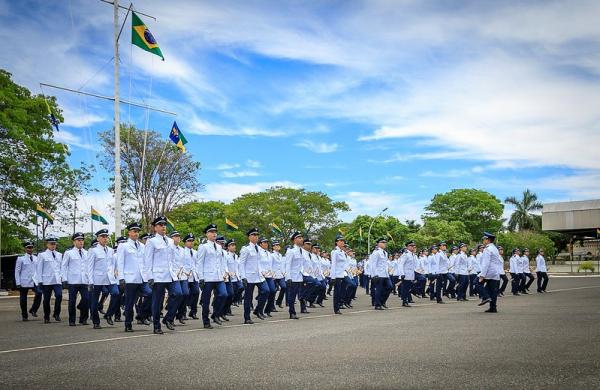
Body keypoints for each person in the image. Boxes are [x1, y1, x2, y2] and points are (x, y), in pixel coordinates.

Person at [143, 216, 182, 334]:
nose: (163, 226)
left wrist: (175, 272)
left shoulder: (170, 241)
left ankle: (168, 318)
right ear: (155, 228)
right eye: (160, 225)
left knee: (179, 294)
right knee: (157, 301)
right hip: (158, 276)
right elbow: (147, 260)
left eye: (164, 224)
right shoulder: (152, 241)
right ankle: (156, 325)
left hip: (170, 275)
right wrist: (149, 277)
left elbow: (172, 258)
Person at [116, 222, 149, 332]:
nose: (136, 233)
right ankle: (128, 324)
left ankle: (141, 315)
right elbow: (120, 263)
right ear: (129, 232)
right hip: (130, 278)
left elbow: (145, 262)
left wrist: (149, 276)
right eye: (134, 231)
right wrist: (121, 278)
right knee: (130, 302)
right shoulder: (123, 246)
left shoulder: (142, 246)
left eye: (138, 231)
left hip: (142, 278)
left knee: (150, 294)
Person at [196, 224, 228, 329]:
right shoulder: (203, 247)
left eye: (215, 232)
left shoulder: (219, 247)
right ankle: (206, 321)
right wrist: (200, 277)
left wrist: (224, 273)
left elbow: (221, 261)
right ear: (207, 234)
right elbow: (199, 263)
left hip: (218, 277)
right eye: (212, 232)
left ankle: (215, 314)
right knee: (206, 301)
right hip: (208, 277)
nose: (214, 234)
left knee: (224, 294)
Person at [88, 228, 119, 329]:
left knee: (116, 293)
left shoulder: (110, 250)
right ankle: (96, 322)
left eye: (106, 237)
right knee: (94, 301)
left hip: (109, 278)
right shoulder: (93, 250)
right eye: (103, 237)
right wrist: (90, 281)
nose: (105, 239)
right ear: (98, 238)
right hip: (97, 279)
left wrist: (115, 272)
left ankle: (109, 314)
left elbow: (113, 264)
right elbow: (89, 267)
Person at [239, 227, 268, 324]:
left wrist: (264, 271)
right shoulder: (246, 249)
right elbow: (241, 263)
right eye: (253, 235)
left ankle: (258, 310)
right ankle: (247, 317)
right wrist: (243, 277)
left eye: (257, 235)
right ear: (249, 237)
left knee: (266, 291)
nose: (256, 237)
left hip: (259, 276)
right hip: (249, 277)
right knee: (248, 297)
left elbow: (261, 262)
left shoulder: (259, 249)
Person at [61, 232, 90, 326]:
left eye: (82, 240)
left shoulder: (87, 253)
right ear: (74, 242)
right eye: (78, 240)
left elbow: (89, 267)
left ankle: (83, 319)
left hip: (84, 280)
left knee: (86, 299)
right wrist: (64, 279)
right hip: (72, 281)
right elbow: (64, 267)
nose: (81, 242)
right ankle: (72, 320)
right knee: (72, 301)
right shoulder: (69, 253)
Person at [35, 236, 63, 324]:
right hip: (46, 281)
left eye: (54, 244)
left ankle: (56, 313)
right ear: (47, 244)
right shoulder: (42, 255)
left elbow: (61, 267)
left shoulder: (59, 255)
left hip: (57, 280)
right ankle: (46, 316)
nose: (53, 245)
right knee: (46, 299)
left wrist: (63, 278)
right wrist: (39, 281)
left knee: (59, 296)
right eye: (51, 244)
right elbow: (39, 269)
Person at [15, 240, 42, 321]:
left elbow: (38, 270)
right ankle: (24, 315)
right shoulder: (21, 259)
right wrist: (18, 282)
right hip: (24, 281)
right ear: (25, 249)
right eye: (28, 248)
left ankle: (33, 309)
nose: (30, 249)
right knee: (23, 298)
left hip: (34, 280)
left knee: (39, 293)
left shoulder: (36, 258)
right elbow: (17, 271)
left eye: (31, 248)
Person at [477, 232, 503, 313]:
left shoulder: (487, 249)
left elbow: (486, 263)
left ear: (487, 240)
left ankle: (486, 297)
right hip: (495, 272)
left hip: (489, 272)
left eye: (484, 239)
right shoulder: (495, 248)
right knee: (493, 290)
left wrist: (482, 275)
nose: (483, 241)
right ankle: (493, 307)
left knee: (477, 283)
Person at [285, 231, 306, 319]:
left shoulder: (302, 251)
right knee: (292, 296)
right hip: (293, 277)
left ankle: (302, 308)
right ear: (295, 240)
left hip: (300, 276)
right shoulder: (291, 251)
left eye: (302, 238)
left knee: (301, 294)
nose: (302, 239)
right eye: (300, 238)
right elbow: (288, 265)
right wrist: (288, 277)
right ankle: (292, 312)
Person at [370, 238, 392, 310]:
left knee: (390, 287)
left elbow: (385, 264)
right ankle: (377, 304)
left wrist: (387, 273)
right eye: (383, 242)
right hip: (378, 274)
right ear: (378, 244)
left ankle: (382, 301)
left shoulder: (385, 253)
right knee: (379, 290)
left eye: (385, 242)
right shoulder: (376, 252)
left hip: (385, 274)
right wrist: (374, 275)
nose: (384, 244)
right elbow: (373, 264)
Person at [182, 233, 200, 320]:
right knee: (185, 294)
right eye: (189, 241)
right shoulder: (182, 251)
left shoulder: (195, 252)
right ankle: (183, 313)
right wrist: (185, 272)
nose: (191, 242)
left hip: (194, 276)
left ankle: (193, 312)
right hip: (185, 276)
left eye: (192, 241)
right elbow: (180, 264)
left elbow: (197, 264)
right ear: (185, 242)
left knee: (196, 292)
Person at [258, 237, 276, 317]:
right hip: (261, 275)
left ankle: (267, 309)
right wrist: (260, 272)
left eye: (266, 242)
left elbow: (270, 264)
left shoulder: (268, 253)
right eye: (264, 242)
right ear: (260, 244)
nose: (266, 244)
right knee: (265, 292)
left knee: (272, 291)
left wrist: (272, 273)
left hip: (268, 275)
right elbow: (257, 263)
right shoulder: (258, 252)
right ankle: (259, 310)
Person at [398, 241, 416, 307]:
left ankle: (406, 300)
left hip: (411, 274)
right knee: (405, 288)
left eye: (413, 246)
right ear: (407, 247)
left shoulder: (413, 254)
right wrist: (402, 274)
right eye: (411, 246)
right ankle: (404, 301)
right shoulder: (405, 254)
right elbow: (401, 264)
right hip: (406, 274)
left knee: (408, 288)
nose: (413, 247)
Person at [271, 240, 287, 309]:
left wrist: (284, 273)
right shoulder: (272, 255)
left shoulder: (280, 255)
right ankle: (272, 306)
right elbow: (270, 265)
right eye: (276, 245)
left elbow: (282, 265)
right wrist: (271, 275)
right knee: (273, 290)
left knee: (284, 287)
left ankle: (279, 301)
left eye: (278, 245)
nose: (278, 246)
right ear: (273, 247)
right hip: (274, 275)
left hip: (280, 275)